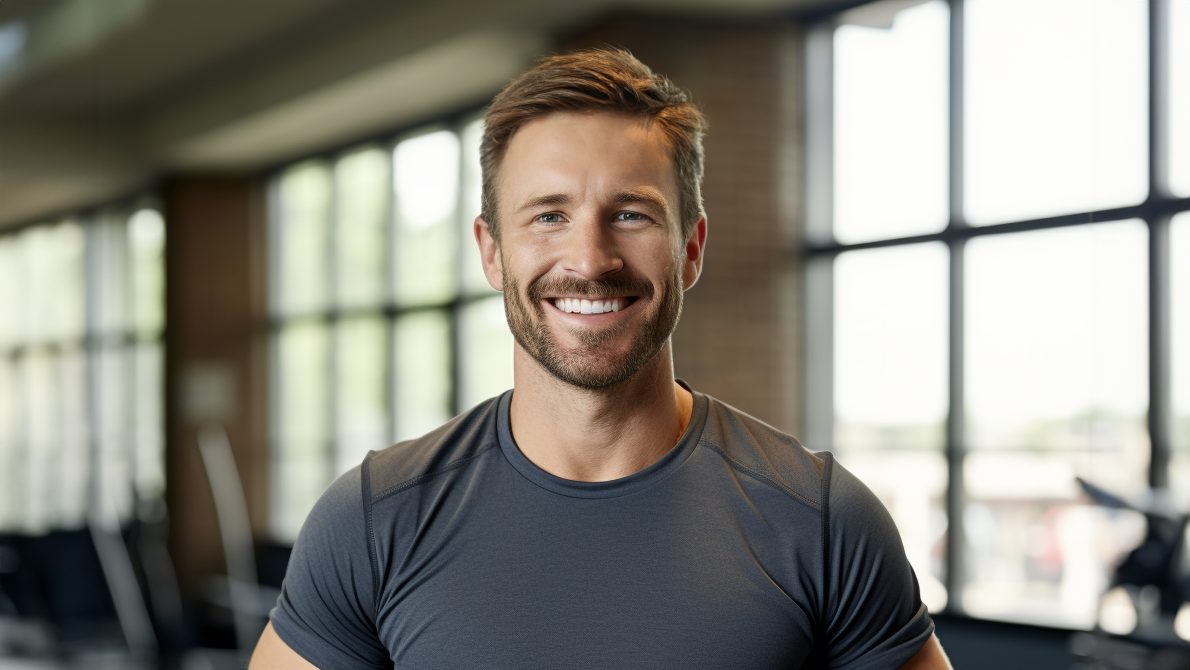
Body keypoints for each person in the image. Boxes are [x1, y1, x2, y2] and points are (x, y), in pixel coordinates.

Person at [250, 48, 952, 669]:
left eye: (632, 214)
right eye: (548, 215)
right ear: (491, 250)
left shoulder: (821, 521)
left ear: (692, 248)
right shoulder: (375, 519)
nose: (590, 260)